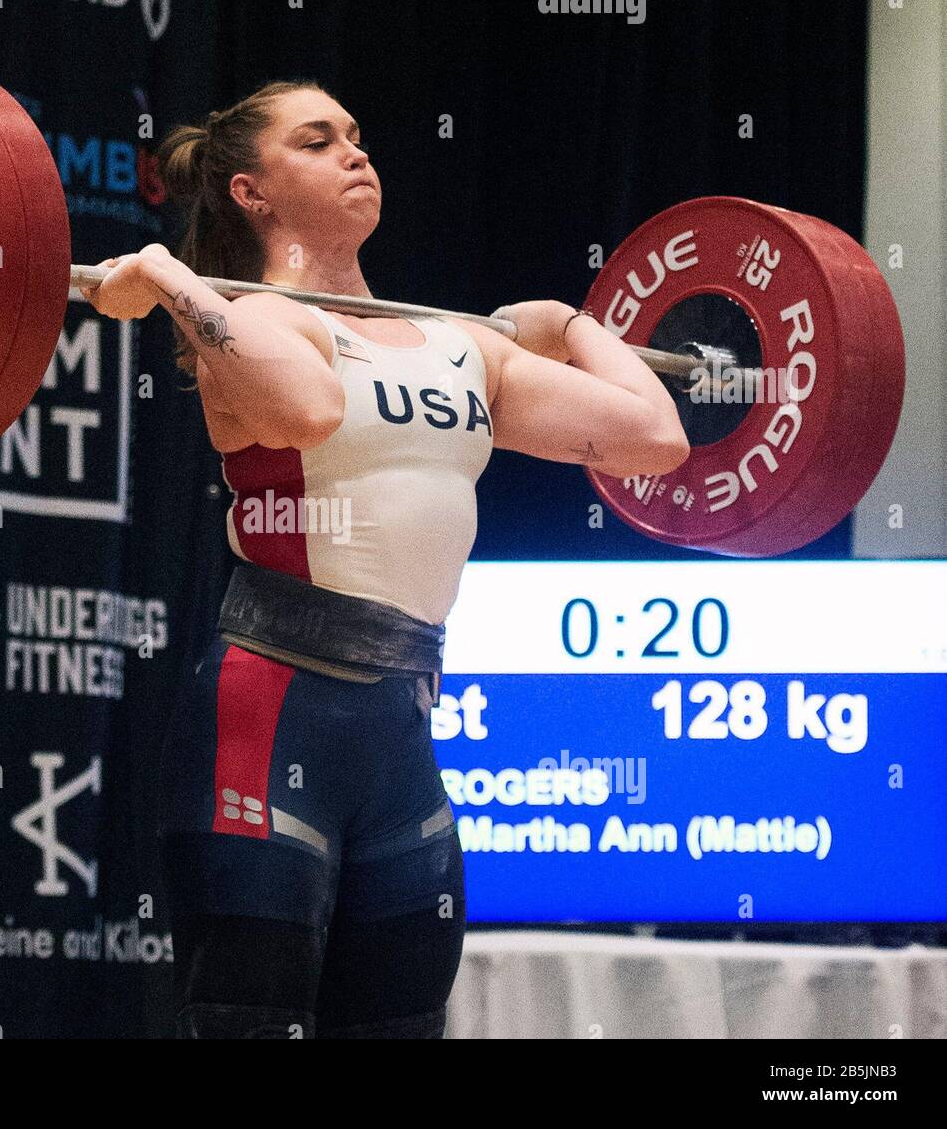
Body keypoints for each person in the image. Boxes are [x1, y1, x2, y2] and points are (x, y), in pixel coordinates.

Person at [78, 81, 689, 1038]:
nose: (356, 153)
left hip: (400, 740)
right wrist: (170, 275)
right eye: (318, 142)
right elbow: (307, 412)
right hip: (267, 718)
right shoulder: (263, 323)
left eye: (357, 136)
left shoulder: (461, 348)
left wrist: (566, 322)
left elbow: (655, 439)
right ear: (251, 192)